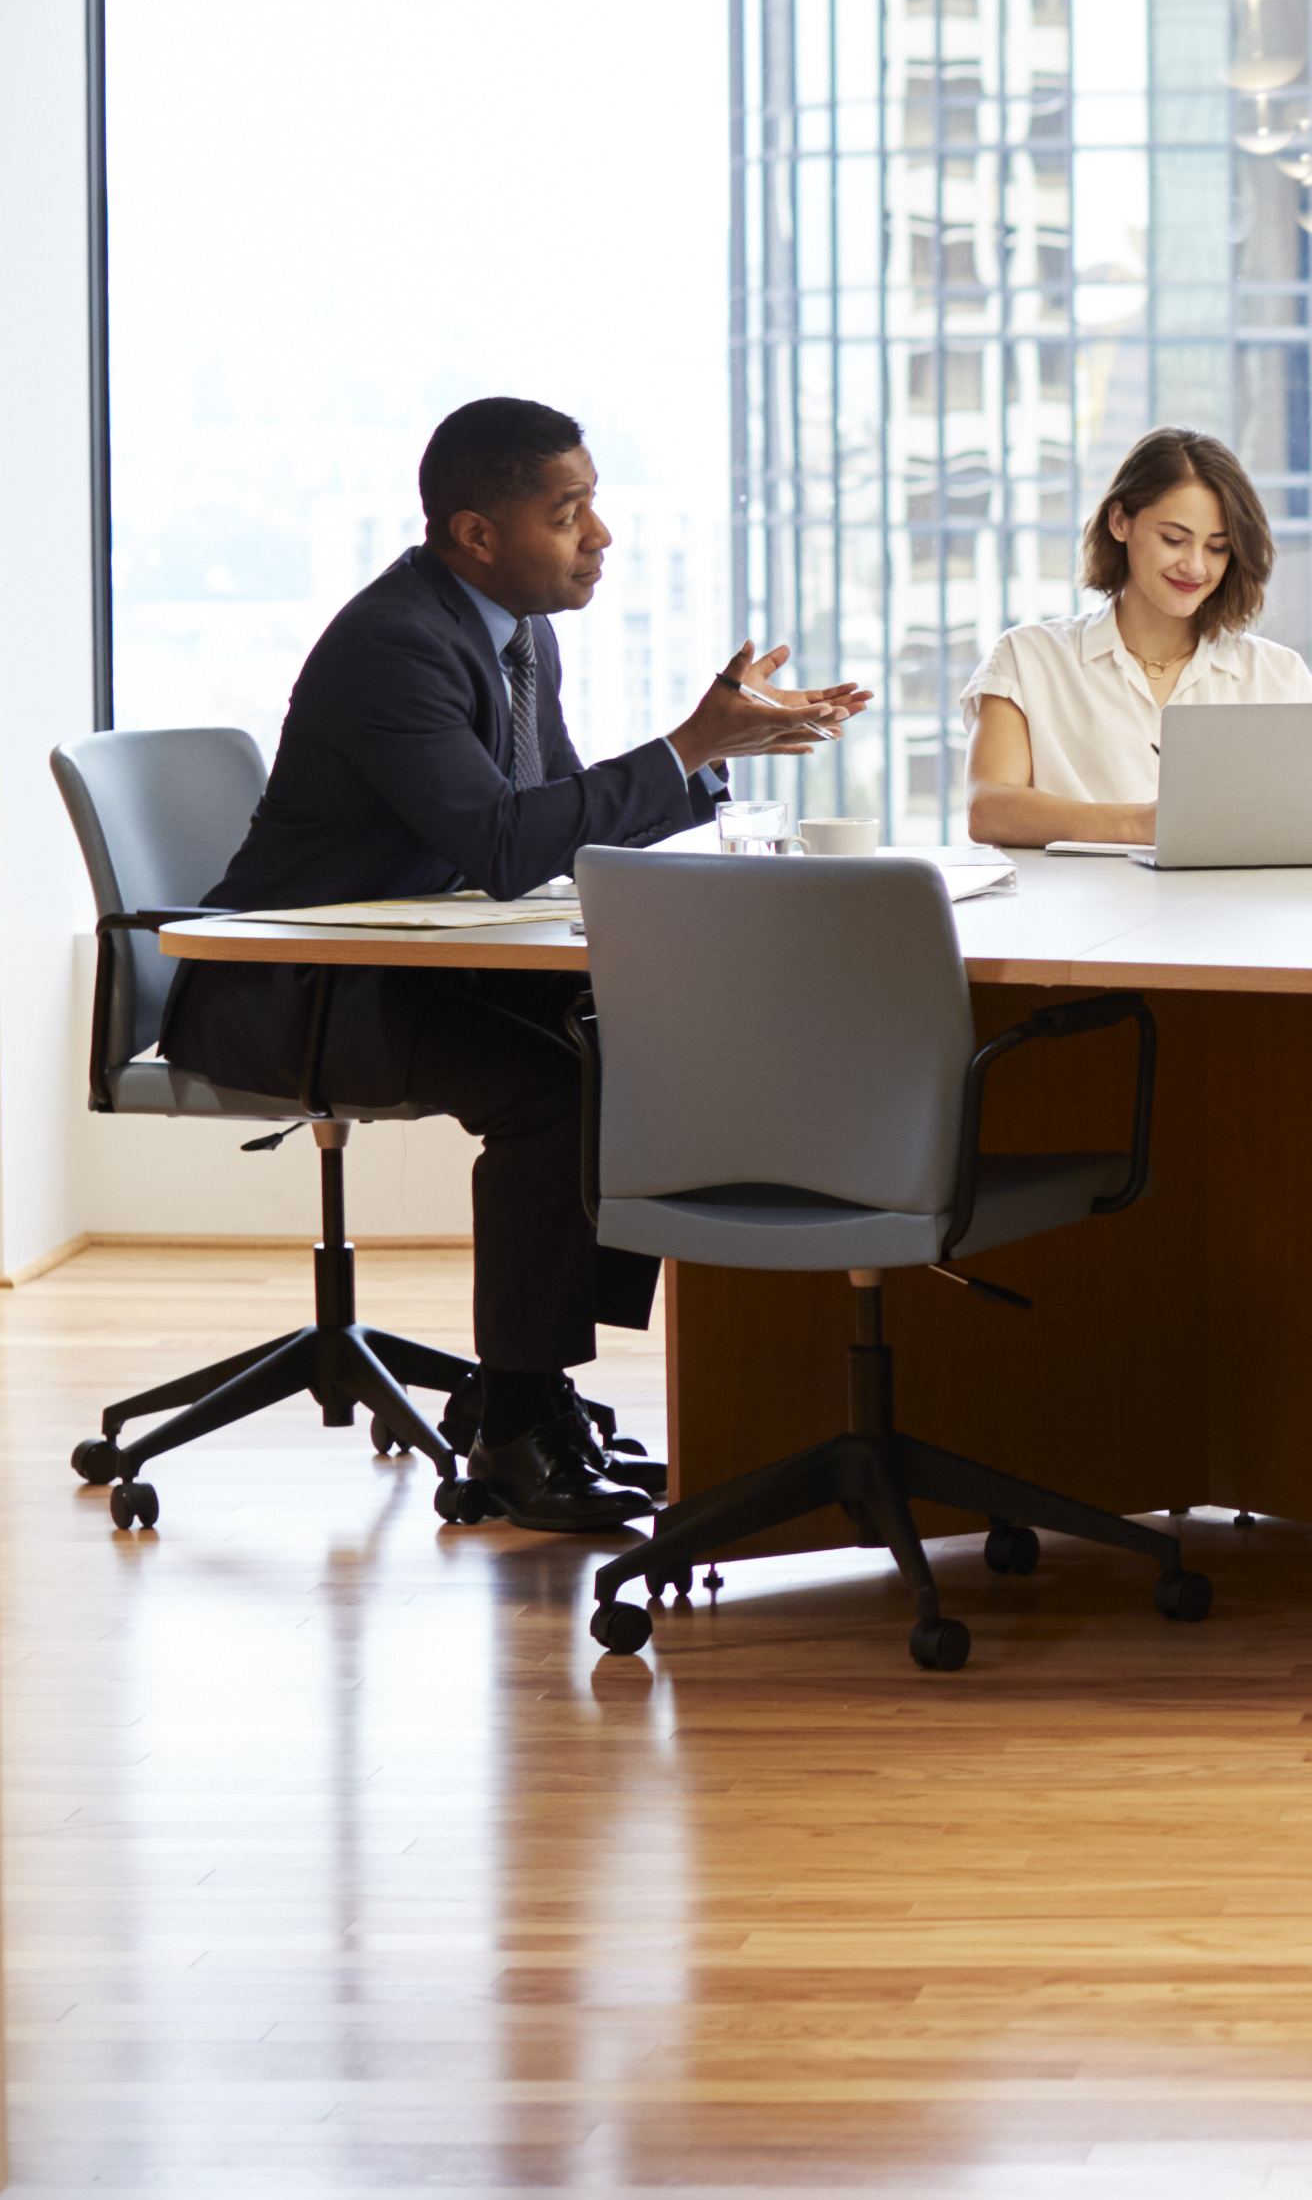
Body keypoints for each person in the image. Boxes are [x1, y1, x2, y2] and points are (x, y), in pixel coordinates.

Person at [164, 398, 869, 1534]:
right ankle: (514, 1436)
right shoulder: (398, 642)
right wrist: (690, 743)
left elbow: (560, 823)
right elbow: (502, 846)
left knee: (626, 1046)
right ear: (476, 532)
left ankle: (527, 1392)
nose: (600, 537)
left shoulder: (512, 632)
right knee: (556, 1091)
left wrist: (710, 760)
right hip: (284, 988)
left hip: (396, 971)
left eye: (593, 506)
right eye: (569, 511)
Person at [962, 426, 1312, 849]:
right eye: (1174, 539)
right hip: (1074, 913)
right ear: (1120, 522)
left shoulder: (1277, 675)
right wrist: (1141, 826)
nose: (1195, 566)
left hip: (1231, 911)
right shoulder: (1028, 658)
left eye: (1217, 548)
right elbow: (987, 809)